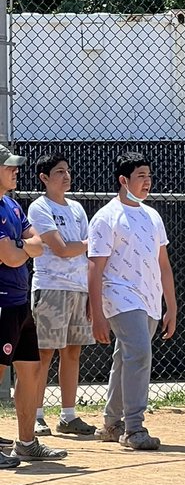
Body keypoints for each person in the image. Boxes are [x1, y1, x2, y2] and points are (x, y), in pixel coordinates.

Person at [87, 154, 177, 451]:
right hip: (119, 294)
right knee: (139, 353)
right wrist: (96, 312)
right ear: (123, 181)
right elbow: (95, 268)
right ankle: (134, 428)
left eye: (149, 175)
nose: (147, 181)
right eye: (140, 176)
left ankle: (112, 424)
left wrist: (171, 306)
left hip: (149, 298)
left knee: (125, 357)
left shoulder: (152, 216)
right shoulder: (106, 217)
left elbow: (163, 265)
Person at [0, 144, 69, 465]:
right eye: (9, 167)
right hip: (2, 304)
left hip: (19, 302)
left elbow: (38, 244)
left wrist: (21, 246)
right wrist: (23, 247)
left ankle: (26, 443)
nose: (15, 171)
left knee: (29, 372)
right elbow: (12, 256)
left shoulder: (12, 206)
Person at [28, 154, 96, 437]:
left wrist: (91, 293)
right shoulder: (39, 207)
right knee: (43, 353)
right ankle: (35, 415)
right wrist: (84, 243)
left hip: (78, 288)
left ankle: (68, 416)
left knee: (72, 352)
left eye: (67, 171)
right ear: (44, 178)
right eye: (59, 172)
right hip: (50, 287)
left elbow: (81, 249)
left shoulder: (78, 209)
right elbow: (61, 248)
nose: (66, 176)